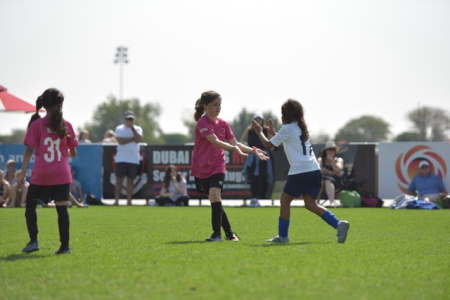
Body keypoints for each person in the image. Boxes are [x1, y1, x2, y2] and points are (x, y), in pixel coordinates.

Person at [252, 99, 349, 243]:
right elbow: (286, 141)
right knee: (311, 204)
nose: (281, 115)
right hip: (314, 170)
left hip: (300, 171)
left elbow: (269, 145)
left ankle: (283, 237)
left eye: (282, 113)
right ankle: (339, 224)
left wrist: (260, 132)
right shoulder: (300, 128)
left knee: (285, 201)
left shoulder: (288, 128)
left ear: (286, 114)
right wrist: (274, 133)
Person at [191, 91, 269, 242]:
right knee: (216, 200)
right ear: (205, 106)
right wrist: (234, 149)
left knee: (214, 195)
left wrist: (253, 151)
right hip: (201, 168)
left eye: (219, 105)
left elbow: (236, 143)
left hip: (217, 166)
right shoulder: (202, 123)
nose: (218, 108)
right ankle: (230, 234)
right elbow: (215, 141)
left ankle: (216, 235)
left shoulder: (224, 124)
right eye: (214, 105)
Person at [19, 88, 78, 255]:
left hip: (41, 174)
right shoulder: (67, 125)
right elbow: (72, 152)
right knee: (62, 210)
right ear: (60, 104)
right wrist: (62, 153)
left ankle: (33, 241)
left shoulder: (37, 125)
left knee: (30, 207)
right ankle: (64, 247)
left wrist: (22, 171)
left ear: (44, 105)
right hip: (61, 174)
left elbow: (29, 151)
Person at [240, 115, 274, 207]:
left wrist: (271, 131)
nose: (258, 122)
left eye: (260, 120)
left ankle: (262, 199)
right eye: (256, 120)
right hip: (252, 159)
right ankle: (254, 199)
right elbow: (242, 141)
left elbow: (272, 142)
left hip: (264, 159)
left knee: (264, 178)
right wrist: (250, 149)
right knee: (253, 178)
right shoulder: (249, 130)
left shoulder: (266, 130)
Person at [114, 111, 143, 205]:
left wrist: (133, 130)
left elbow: (138, 139)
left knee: (131, 181)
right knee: (119, 181)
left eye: (131, 119)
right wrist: (132, 139)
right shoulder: (119, 128)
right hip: (121, 159)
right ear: (124, 119)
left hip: (133, 159)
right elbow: (120, 141)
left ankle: (129, 201)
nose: (129, 121)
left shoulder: (138, 128)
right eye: (128, 119)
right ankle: (117, 201)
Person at [318, 141, 344, 208]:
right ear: (326, 151)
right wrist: (331, 172)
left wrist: (332, 161)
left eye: (333, 150)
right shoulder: (321, 160)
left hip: (336, 181)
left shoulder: (339, 159)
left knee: (327, 181)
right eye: (329, 149)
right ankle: (313, 202)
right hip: (321, 180)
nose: (331, 151)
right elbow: (319, 170)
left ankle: (332, 202)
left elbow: (338, 170)